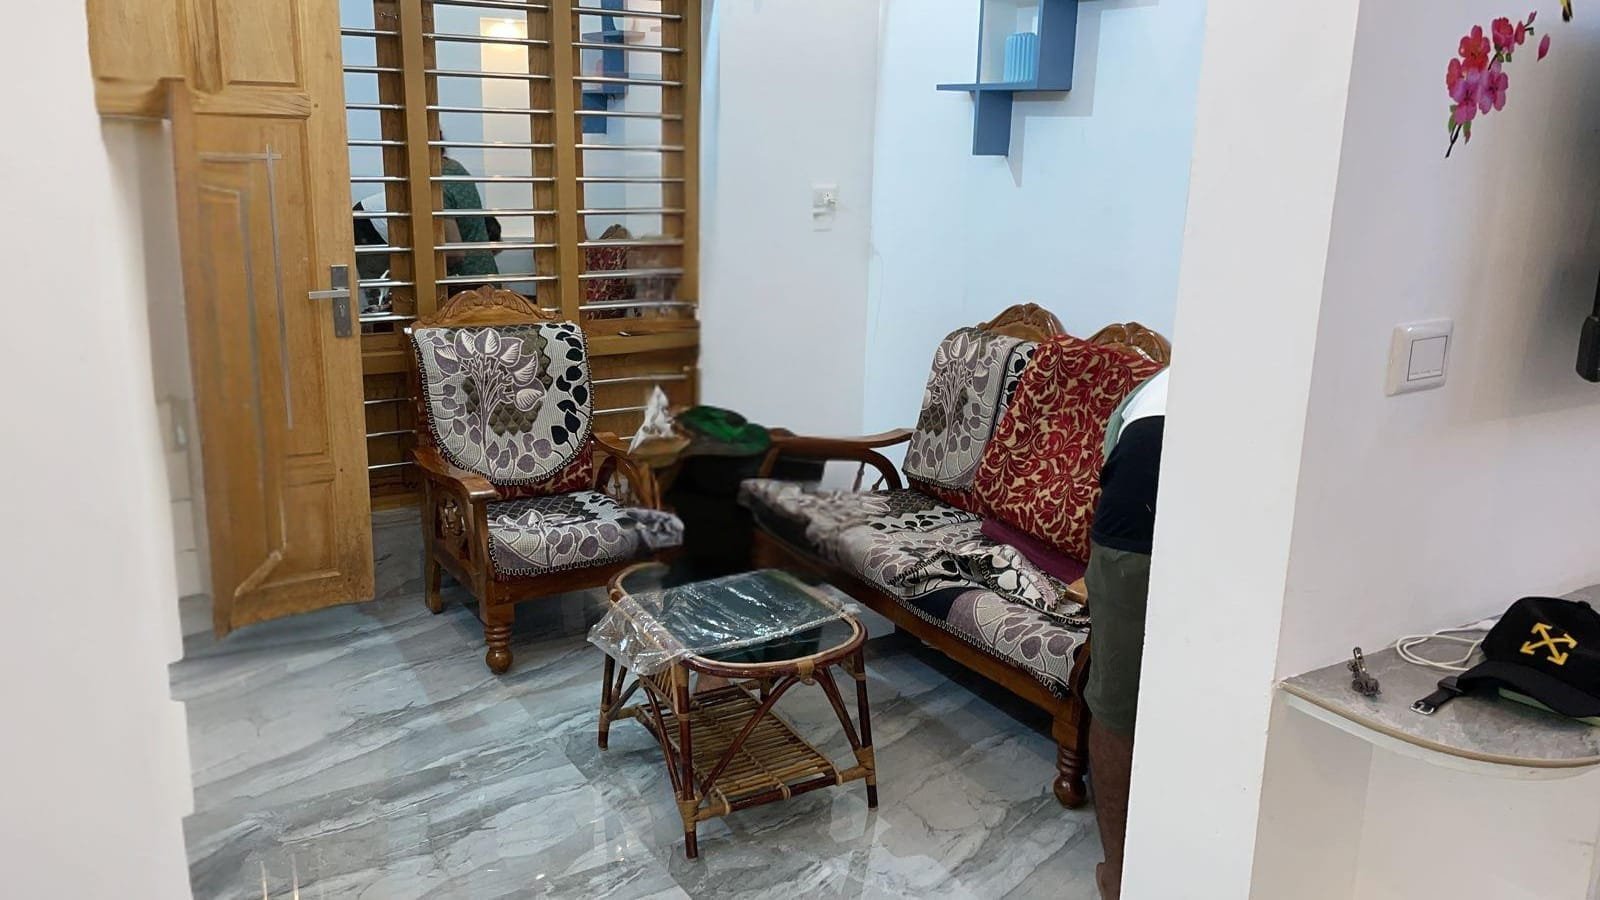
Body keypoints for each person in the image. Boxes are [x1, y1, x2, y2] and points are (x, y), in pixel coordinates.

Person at [1082, 367, 1168, 900]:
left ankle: (1126, 870)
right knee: (1120, 703)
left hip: (1152, 509)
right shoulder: (1161, 395)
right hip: (1135, 529)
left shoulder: (1155, 389)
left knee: (1122, 702)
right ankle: (1119, 874)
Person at [440, 151, 499, 279]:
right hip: (487, 274)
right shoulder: (454, 167)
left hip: (466, 283)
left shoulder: (438, 188)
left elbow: (455, 253)